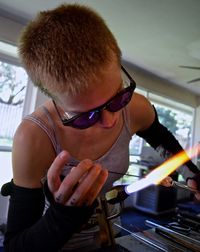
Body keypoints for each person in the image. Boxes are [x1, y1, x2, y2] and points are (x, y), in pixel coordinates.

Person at [3, 3, 200, 252]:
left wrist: (193, 174)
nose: (110, 121)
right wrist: (63, 216)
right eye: (86, 116)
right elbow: (15, 247)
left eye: (119, 97)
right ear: (54, 100)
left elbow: (161, 138)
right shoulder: (33, 137)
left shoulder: (137, 107)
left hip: (111, 236)